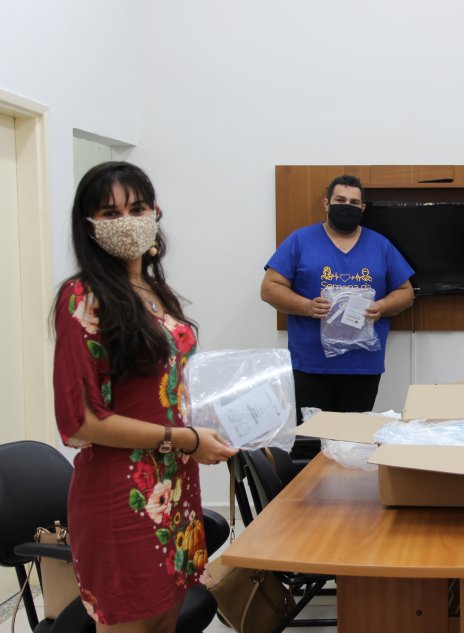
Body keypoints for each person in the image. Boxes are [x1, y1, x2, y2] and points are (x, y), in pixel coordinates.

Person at [52, 161, 237, 631]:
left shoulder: (154, 290)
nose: (127, 221)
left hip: (176, 484)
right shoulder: (83, 297)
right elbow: (81, 420)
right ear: (89, 226)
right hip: (123, 492)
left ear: (155, 213)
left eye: (136, 209)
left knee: (167, 621)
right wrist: (186, 439)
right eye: (110, 213)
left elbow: (167, 388)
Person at [261, 175, 414, 460]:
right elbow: (269, 288)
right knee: (309, 447)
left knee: (353, 447)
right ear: (326, 203)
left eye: (354, 202)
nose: (347, 206)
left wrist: (382, 306)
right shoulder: (300, 241)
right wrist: (306, 306)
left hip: (362, 367)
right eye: (340, 200)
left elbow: (406, 292)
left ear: (363, 208)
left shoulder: (380, 245)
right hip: (310, 366)